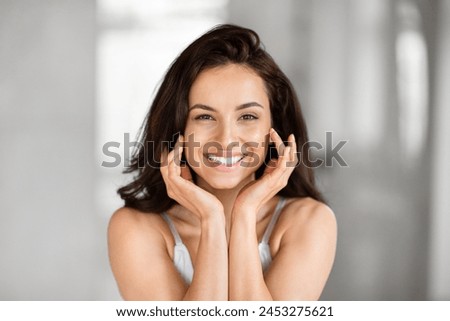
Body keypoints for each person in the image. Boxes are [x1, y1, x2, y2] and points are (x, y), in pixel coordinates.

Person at [108, 24, 337, 301]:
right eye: (204, 117)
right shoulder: (135, 228)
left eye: (248, 117)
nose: (226, 139)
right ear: (177, 128)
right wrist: (211, 219)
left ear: (274, 125)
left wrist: (244, 212)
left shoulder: (309, 221)